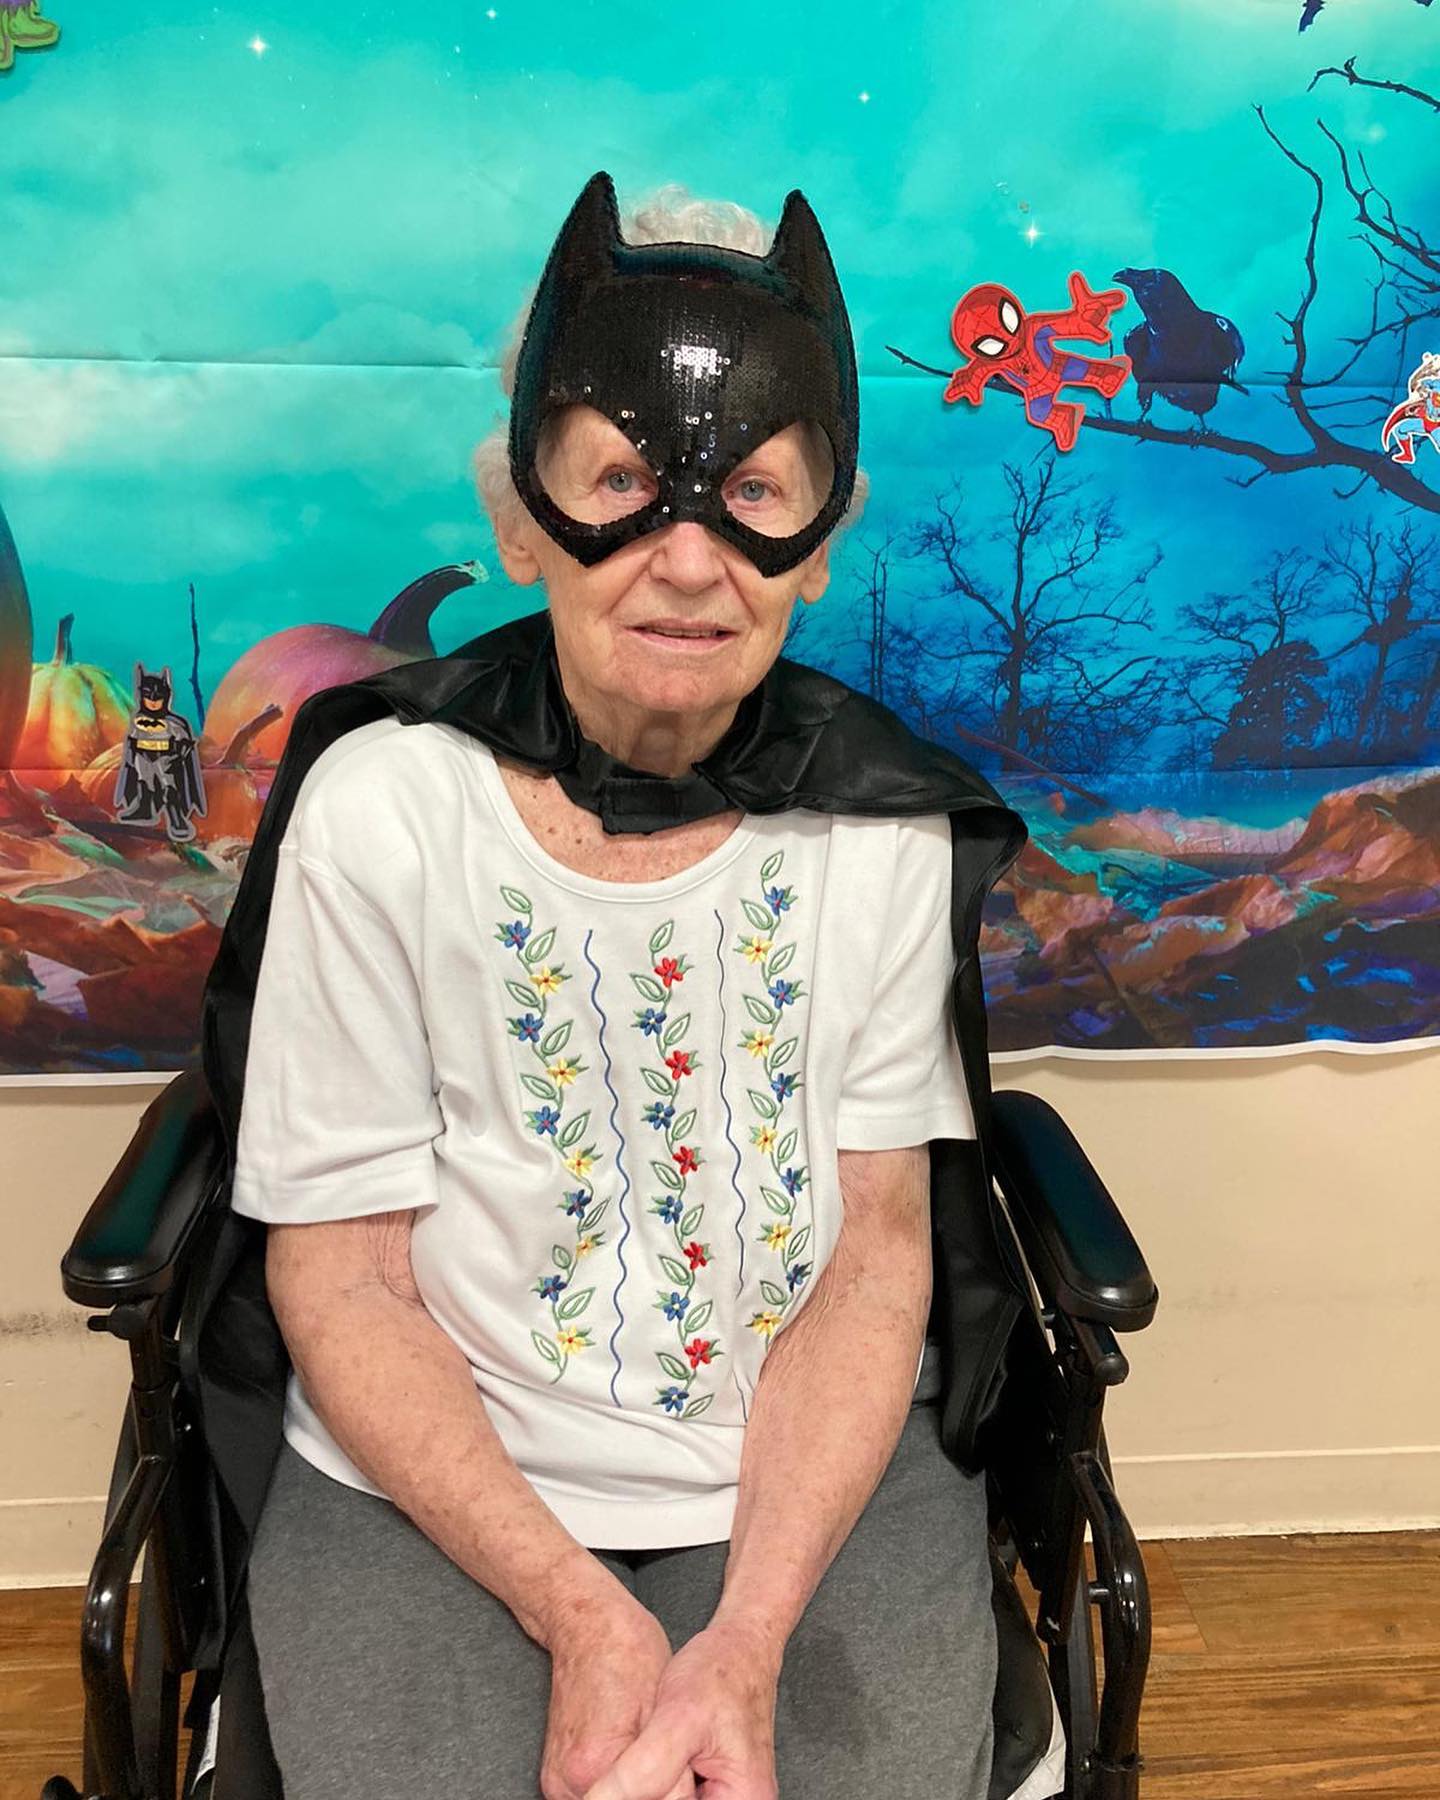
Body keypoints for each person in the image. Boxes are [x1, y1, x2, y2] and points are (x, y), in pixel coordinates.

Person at [202, 170, 1032, 1800]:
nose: (689, 559)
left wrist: (749, 1636)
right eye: (625, 484)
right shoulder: (384, 808)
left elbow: (878, 1252)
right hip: (433, 1464)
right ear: (525, 517)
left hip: (801, 1465)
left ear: (818, 544)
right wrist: (581, 1615)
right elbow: (346, 1275)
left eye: (754, 493)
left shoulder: (882, 830)